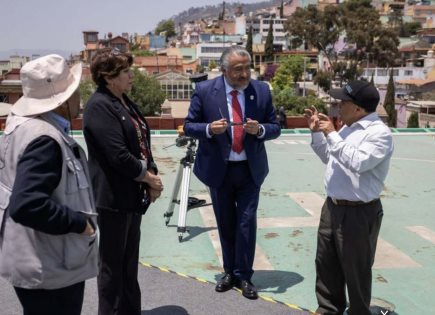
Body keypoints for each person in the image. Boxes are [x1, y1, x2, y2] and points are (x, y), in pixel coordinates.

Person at [0, 54, 98, 315]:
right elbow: (27, 204)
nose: (79, 98)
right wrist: (79, 223)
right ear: (62, 101)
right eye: (75, 91)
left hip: (32, 259)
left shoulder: (21, 128)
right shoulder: (45, 140)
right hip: (50, 265)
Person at [184, 46, 281, 300]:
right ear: (224, 70)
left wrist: (259, 129)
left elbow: (275, 126)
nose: (244, 74)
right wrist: (208, 129)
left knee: (246, 223)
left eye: (247, 68)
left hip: (250, 170)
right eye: (238, 69)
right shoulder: (205, 91)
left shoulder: (260, 91)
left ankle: (245, 276)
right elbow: (188, 125)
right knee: (225, 221)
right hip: (220, 170)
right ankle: (229, 272)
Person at [83, 48, 163, 315]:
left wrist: (150, 173)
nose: (132, 76)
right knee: (112, 268)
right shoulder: (98, 106)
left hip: (130, 197)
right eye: (126, 72)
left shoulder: (124, 101)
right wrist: (150, 179)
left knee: (128, 264)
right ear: (108, 77)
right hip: (113, 199)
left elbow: (141, 140)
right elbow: (118, 155)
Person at [304, 80, 394, 315]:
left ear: (358, 108)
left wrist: (332, 134)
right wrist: (317, 134)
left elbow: (358, 163)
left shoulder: (379, 134)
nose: (337, 105)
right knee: (326, 266)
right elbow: (329, 157)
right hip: (332, 207)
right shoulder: (348, 127)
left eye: (343, 101)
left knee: (356, 271)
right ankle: (328, 310)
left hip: (358, 212)